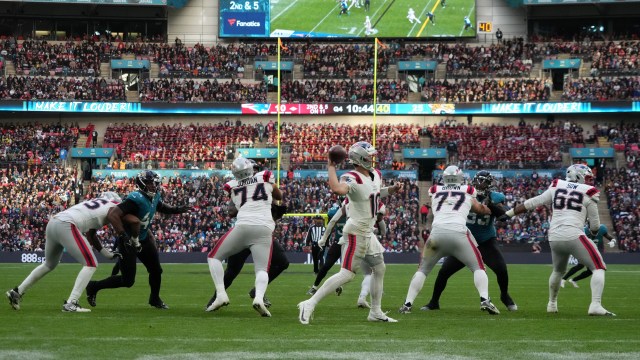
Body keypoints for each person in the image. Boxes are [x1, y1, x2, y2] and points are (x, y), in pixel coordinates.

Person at [298, 141, 401, 324]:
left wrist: (391, 190)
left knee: (379, 267)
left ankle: (375, 311)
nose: (373, 158)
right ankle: (309, 303)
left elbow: (374, 193)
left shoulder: (375, 174)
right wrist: (331, 166)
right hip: (356, 231)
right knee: (347, 273)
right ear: (360, 158)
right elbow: (337, 189)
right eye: (369, 156)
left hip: (367, 231)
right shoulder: (350, 177)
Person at [504, 164, 615, 316]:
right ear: (578, 176)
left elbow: (534, 202)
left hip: (554, 236)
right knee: (599, 267)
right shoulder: (589, 192)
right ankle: (595, 305)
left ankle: (552, 304)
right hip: (574, 234)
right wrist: (593, 232)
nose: (589, 181)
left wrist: (509, 213)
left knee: (558, 270)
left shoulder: (557, 186)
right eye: (587, 177)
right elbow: (595, 226)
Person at [399, 165, 499, 315]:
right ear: (460, 178)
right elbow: (479, 209)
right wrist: (492, 209)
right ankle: (485, 300)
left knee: (422, 270)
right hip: (458, 233)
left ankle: (407, 304)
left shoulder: (434, 190)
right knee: (478, 267)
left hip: (436, 235)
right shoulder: (468, 190)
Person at [86, 170, 192, 310]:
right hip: (129, 241)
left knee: (156, 270)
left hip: (143, 238)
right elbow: (113, 215)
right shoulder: (135, 198)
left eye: (154, 182)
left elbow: (160, 206)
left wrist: (177, 209)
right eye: (149, 182)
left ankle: (154, 299)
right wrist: (123, 235)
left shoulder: (154, 196)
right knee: (128, 280)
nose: (153, 185)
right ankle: (94, 286)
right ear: (142, 184)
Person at [6, 192, 123, 312]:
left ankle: (17, 292)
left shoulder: (95, 204)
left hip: (53, 222)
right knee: (91, 264)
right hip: (67, 224)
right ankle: (71, 303)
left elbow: (91, 234)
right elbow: (97, 229)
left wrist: (106, 254)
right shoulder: (113, 206)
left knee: (49, 264)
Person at [420, 171, 517, 312]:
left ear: (489, 184)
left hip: (486, 241)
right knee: (444, 272)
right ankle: (434, 301)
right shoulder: (466, 193)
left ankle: (504, 295)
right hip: (465, 240)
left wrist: (492, 205)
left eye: (483, 181)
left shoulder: (495, 197)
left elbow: (505, 215)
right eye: (478, 180)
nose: (479, 184)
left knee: (501, 269)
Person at [205, 160, 290, 309]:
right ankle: (216, 298)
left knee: (282, 262)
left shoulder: (261, 184)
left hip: (258, 231)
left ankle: (257, 291)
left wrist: (275, 211)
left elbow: (276, 199)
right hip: (245, 231)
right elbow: (231, 211)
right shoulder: (244, 185)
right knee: (232, 270)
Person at [308, 200, 387, 309]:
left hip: (352, 237)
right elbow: (382, 229)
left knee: (370, 271)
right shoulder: (368, 198)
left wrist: (323, 239)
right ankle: (313, 297)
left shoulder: (353, 200)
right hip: (358, 238)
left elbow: (333, 220)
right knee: (366, 271)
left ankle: (370, 305)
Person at [561, 223, 616, 288]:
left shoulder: (602, 229)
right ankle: (563, 279)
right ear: (589, 228)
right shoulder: (583, 231)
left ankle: (573, 280)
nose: (595, 232)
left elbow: (611, 238)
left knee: (590, 271)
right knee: (581, 265)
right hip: (583, 250)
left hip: (593, 252)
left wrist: (613, 241)